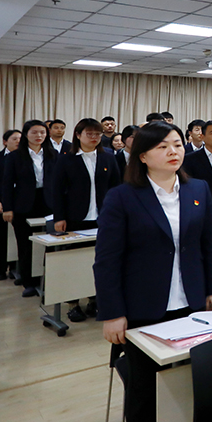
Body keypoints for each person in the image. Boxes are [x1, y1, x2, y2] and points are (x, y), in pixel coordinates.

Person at [94, 121, 212, 422]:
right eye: (163, 146)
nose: (173, 152)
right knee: (144, 393)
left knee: (190, 385)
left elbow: (211, 243)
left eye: (178, 144)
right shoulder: (122, 197)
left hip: (192, 306)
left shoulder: (197, 189)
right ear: (143, 155)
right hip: (143, 310)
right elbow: (107, 260)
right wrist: (112, 312)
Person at [51, 118, 121, 321]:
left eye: (97, 134)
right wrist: (59, 217)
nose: (94, 137)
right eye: (89, 134)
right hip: (75, 219)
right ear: (78, 135)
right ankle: (73, 303)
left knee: (99, 261)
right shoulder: (66, 159)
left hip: (102, 218)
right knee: (74, 261)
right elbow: (57, 191)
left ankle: (93, 299)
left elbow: (116, 188)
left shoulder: (108, 158)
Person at [1, 120, 57, 296]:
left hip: (48, 203)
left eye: (42, 132)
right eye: (34, 132)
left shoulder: (53, 154)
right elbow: (7, 185)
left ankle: (46, 280)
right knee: (25, 245)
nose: (39, 136)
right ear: (26, 134)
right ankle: (28, 282)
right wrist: (7, 208)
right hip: (23, 204)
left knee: (49, 244)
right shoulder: (15, 156)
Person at [0, 129, 21, 281]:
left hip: (20, 204)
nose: (18, 141)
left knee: (19, 238)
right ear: (5, 142)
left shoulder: (25, 158)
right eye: (14, 139)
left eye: (21, 139)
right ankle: (0, 270)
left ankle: (18, 269)